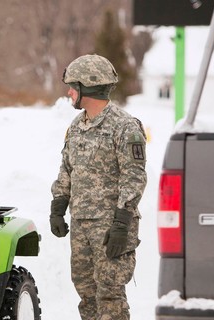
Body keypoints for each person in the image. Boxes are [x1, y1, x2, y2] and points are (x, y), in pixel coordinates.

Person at [49, 54, 147, 320]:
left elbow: (134, 177)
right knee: (86, 292)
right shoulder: (76, 127)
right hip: (81, 223)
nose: (69, 92)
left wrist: (121, 223)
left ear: (88, 87)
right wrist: (58, 206)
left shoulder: (125, 127)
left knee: (110, 294)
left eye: (73, 86)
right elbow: (67, 168)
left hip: (111, 225)